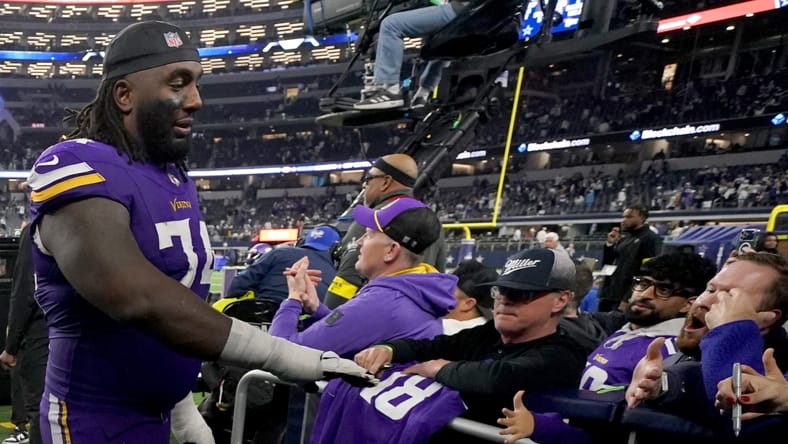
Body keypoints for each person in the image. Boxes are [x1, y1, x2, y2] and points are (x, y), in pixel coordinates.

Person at [25, 21, 373, 444]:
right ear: (124, 95)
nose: (195, 100)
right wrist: (282, 355)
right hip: (89, 420)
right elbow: (136, 296)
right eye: (178, 83)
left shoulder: (172, 175)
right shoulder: (74, 164)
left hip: (153, 415)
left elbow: (173, 297)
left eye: (197, 83)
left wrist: (178, 402)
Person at [349, 248, 588, 439]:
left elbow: (498, 377)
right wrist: (389, 350)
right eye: (500, 291)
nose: (504, 300)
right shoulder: (488, 333)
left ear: (560, 300)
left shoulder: (564, 354)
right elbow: (431, 346)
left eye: (520, 293)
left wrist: (437, 368)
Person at [494, 252, 717, 444]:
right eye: (643, 283)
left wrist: (540, 425)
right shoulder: (626, 330)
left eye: (664, 290)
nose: (645, 294)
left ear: (689, 303)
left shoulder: (669, 352)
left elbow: (615, 430)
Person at [625, 252, 788, 438]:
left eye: (729, 296)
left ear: (767, 319)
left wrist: (731, 329)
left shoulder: (779, 374)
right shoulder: (669, 354)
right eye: (710, 290)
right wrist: (661, 385)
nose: (702, 301)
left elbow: (741, 421)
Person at [270, 198, 455, 357]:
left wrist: (293, 298)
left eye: (368, 235)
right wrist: (317, 309)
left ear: (391, 251)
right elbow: (358, 326)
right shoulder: (413, 289)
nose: (359, 242)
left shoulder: (383, 302)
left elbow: (281, 354)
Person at [324, 154, 446, 309]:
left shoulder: (377, 218)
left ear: (386, 182)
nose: (364, 186)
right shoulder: (432, 222)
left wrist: (325, 320)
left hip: (370, 317)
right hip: (416, 318)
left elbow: (347, 280)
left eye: (368, 179)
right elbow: (439, 277)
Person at [353, 1, 470, 110]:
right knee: (441, 44)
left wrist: (374, 26)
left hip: (461, 9)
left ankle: (390, 90)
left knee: (390, 25)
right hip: (474, 17)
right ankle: (422, 96)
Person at [1, 223, 47, 444]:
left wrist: (11, 347)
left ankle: (24, 429)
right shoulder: (84, 223)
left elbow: (25, 291)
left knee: (41, 407)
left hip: (42, 331)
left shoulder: (35, 231)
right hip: (76, 330)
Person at [225, 225, 340, 302]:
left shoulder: (278, 253)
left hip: (258, 321)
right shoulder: (336, 277)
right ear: (337, 251)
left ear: (301, 242)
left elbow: (237, 285)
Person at [598, 203, 662, 312]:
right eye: (623, 217)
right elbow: (608, 263)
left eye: (629, 217)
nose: (624, 220)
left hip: (624, 298)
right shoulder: (624, 238)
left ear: (641, 218)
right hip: (609, 294)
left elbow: (647, 273)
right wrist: (610, 245)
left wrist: (628, 297)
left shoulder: (650, 239)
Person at [442, 260, 499, 335]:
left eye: (448, 290)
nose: (439, 294)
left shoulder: (440, 328)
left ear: (468, 304)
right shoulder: (497, 331)